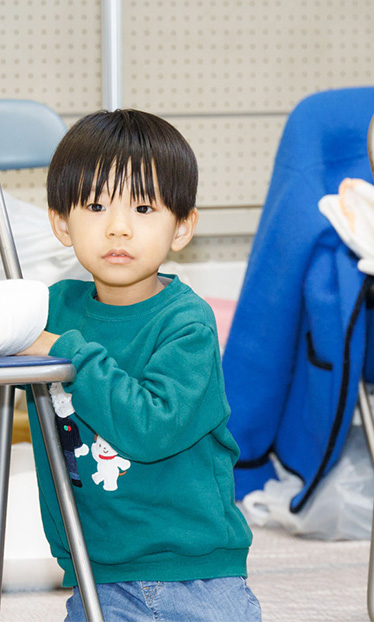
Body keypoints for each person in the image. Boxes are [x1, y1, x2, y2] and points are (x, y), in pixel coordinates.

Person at [17, 109, 261, 621]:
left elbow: (152, 427)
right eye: (95, 206)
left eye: (144, 207)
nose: (118, 228)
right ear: (61, 222)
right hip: (96, 574)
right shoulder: (50, 309)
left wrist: (67, 354)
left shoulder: (187, 322)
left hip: (196, 575)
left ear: (182, 227)